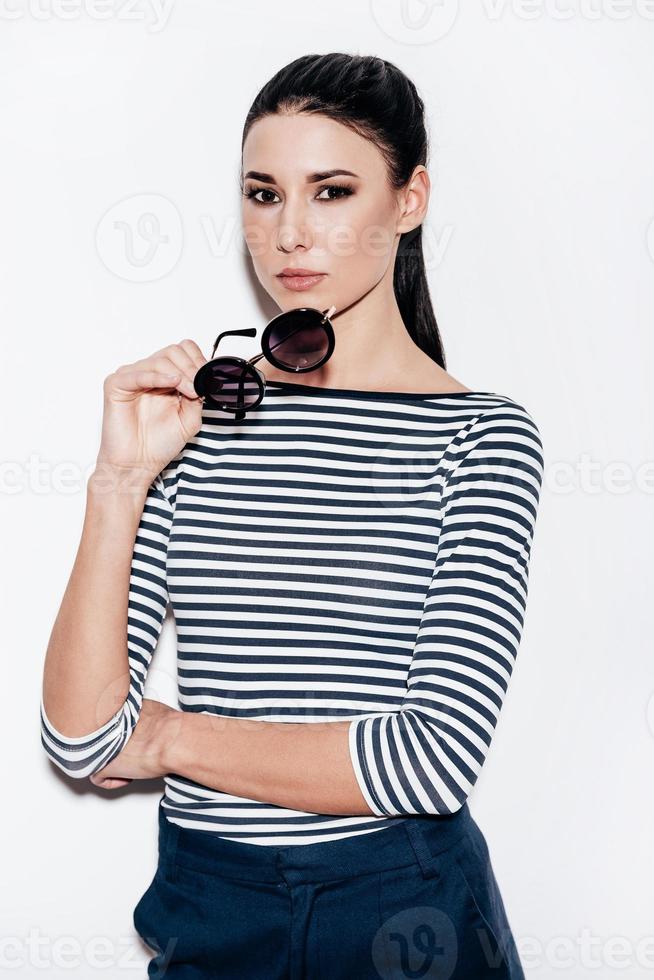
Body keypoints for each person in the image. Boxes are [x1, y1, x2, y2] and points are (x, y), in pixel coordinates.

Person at [40, 52, 544, 979]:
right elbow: (80, 738)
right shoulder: (192, 419)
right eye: (264, 195)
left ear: (409, 198)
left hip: (405, 907)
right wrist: (119, 480)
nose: (291, 233)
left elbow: (428, 761)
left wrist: (170, 734)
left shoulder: (481, 438)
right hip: (209, 900)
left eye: (333, 190)